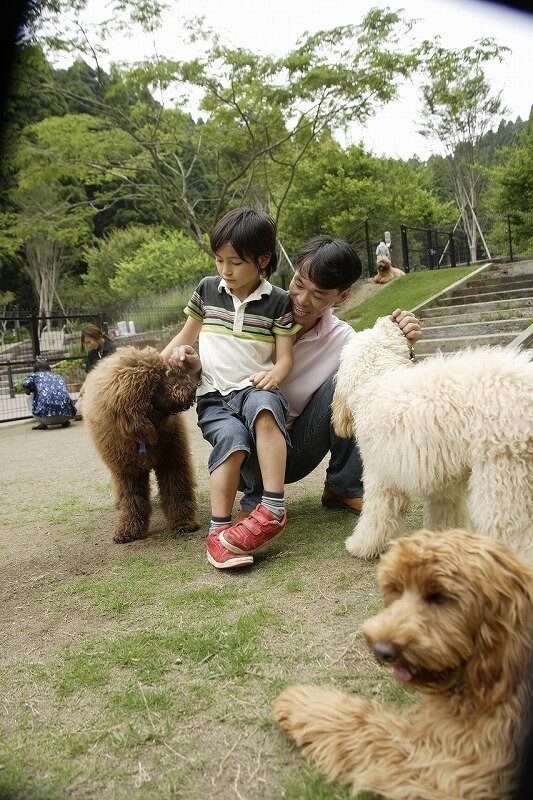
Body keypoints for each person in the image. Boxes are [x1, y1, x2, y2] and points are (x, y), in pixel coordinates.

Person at [166, 233, 421, 570]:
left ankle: (344, 485)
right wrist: (192, 363)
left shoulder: (343, 339)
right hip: (241, 448)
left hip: (293, 448)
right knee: (256, 405)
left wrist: (402, 340)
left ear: (342, 296)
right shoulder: (259, 308)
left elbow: (382, 373)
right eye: (299, 284)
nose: (301, 300)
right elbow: (219, 372)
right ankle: (255, 499)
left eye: (319, 295)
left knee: (351, 378)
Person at [161, 208, 301, 570]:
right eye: (219, 260)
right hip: (214, 398)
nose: (225, 270)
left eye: (235, 262)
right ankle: (218, 531)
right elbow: (185, 335)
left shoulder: (280, 301)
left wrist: (276, 376)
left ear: (263, 259)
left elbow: (284, 358)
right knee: (232, 441)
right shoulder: (208, 290)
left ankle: (271, 506)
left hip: (254, 387)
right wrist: (161, 364)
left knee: (268, 406)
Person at [75, 324, 117, 419]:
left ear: (96, 337)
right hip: (96, 386)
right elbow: (89, 372)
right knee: (77, 411)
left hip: (109, 385)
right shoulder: (92, 353)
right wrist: (84, 385)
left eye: (89, 342)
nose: (89, 345)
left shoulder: (112, 348)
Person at [23, 358, 76, 430]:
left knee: (28, 396)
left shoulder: (34, 376)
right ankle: (64, 421)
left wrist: (32, 390)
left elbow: (26, 388)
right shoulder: (58, 376)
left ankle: (42, 423)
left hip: (45, 418)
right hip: (66, 416)